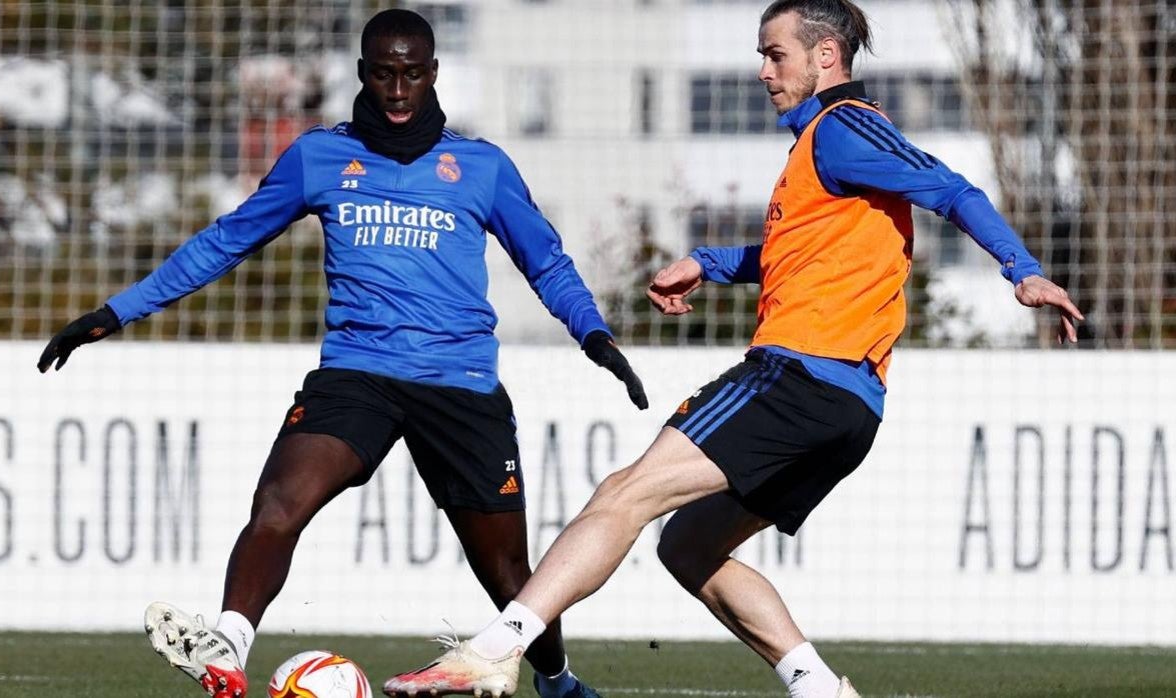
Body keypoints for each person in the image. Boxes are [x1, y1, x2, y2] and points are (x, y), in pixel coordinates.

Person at [382, 1, 1085, 697]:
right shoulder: (820, 149)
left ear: (826, 57)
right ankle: (818, 689)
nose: (762, 71)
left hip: (798, 377)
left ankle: (493, 652)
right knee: (688, 547)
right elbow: (797, 253)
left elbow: (951, 188)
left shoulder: (844, 129)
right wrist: (711, 262)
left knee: (624, 494)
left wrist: (1022, 271)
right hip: (845, 408)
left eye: (775, 54)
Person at [36, 9, 647, 698]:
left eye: (411, 74)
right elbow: (225, 240)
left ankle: (558, 682)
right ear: (363, 73)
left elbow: (548, 263)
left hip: (461, 383)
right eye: (384, 74)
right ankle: (229, 648)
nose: (397, 90)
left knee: (509, 575)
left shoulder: (481, 167)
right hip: (357, 375)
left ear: (433, 75)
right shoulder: (319, 157)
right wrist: (117, 312)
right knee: (278, 504)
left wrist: (594, 334)